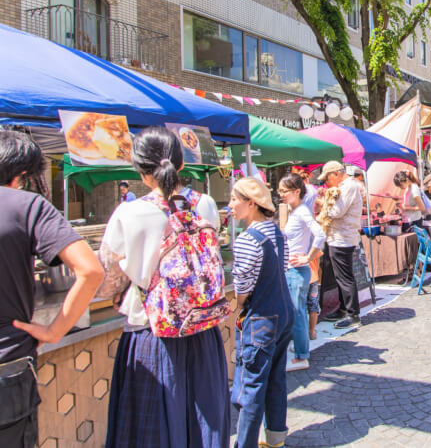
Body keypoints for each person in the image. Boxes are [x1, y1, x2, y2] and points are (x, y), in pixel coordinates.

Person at [99, 127, 230, 448]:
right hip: (202, 329)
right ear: (181, 164)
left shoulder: (129, 213)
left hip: (151, 333)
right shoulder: (206, 204)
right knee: (203, 427)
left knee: (151, 432)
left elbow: (107, 280)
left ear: (143, 173)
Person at [0, 132, 103, 448]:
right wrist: (55, 330)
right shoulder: (28, 205)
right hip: (8, 368)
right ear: (21, 175)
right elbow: (90, 270)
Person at [230, 176, 293, 448]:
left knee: (252, 385)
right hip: (284, 312)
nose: (230, 206)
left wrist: (239, 306)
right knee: (276, 378)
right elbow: (286, 265)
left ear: (251, 204)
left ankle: (245, 444)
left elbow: (242, 287)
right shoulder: (277, 232)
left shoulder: (247, 239)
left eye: (234, 199)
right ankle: (276, 438)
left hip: (262, 318)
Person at [278, 173, 326, 372]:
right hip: (293, 269)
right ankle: (299, 349)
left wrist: (308, 256)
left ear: (297, 191)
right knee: (295, 311)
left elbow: (320, 234)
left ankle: (301, 355)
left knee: (297, 313)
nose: (280, 194)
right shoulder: (296, 210)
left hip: (297, 270)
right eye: (279, 191)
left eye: (284, 191)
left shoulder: (301, 212)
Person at [318, 161, 364, 329]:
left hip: (343, 238)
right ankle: (344, 308)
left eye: (327, 178)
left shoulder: (349, 186)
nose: (327, 182)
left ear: (336, 174)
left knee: (344, 277)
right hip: (338, 237)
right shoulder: (346, 186)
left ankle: (353, 314)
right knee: (340, 277)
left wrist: (323, 203)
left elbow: (337, 211)